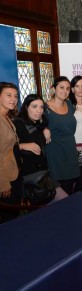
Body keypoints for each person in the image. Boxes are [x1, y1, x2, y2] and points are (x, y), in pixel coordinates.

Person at [14, 94, 69, 202]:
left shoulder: (39, 125)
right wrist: (22, 146)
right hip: (30, 177)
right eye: (34, 106)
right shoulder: (18, 123)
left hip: (43, 174)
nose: (39, 110)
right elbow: (6, 148)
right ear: (26, 107)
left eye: (41, 107)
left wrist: (45, 129)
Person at [45, 76, 79, 195]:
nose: (65, 91)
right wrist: (43, 128)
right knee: (56, 194)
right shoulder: (44, 107)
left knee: (68, 190)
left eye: (68, 88)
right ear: (54, 89)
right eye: (61, 87)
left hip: (69, 151)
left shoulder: (70, 105)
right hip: (54, 152)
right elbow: (31, 124)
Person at [0, 82, 21, 223]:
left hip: (13, 173)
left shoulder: (6, 117)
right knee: (7, 220)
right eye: (8, 95)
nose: (13, 99)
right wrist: (3, 183)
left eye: (15, 96)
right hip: (5, 178)